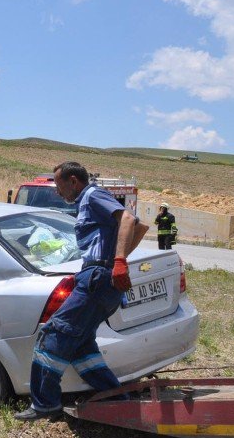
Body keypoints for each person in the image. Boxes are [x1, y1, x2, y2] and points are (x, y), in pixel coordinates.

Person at [15, 161, 147, 421]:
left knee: (54, 332)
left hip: (97, 279)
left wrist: (117, 261)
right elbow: (140, 229)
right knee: (81, 346)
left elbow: (130, 220)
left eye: (59, 184)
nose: (57, 191)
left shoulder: (92, 195)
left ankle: (45, 403)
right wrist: (113, 262)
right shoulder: (87, 201)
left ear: (73, 181)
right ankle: (116, 399)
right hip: (101, 277)